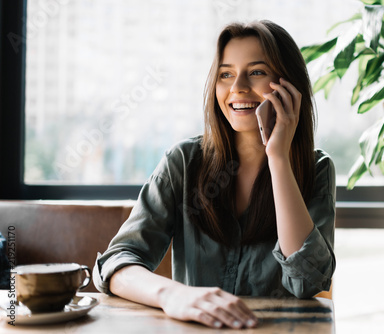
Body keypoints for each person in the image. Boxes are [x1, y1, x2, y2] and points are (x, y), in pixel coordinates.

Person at [93, 20, 336, 330]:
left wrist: (278, 157)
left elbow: (307, 281)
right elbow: (116, 263)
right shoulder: (183, 161)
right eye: (226, 74)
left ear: (288, 85)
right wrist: (173, 294)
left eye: (257, 72)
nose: (237, 88)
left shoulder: (316, 169)